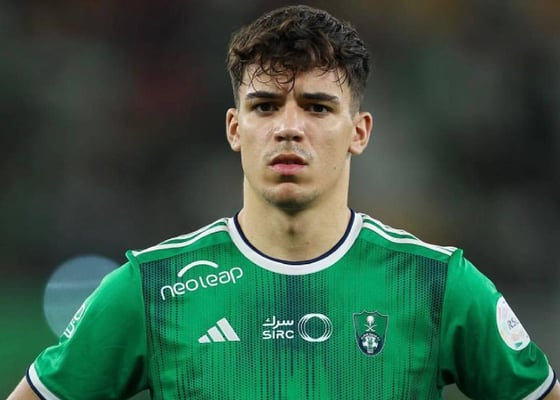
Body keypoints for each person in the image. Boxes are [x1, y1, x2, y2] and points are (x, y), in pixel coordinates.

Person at [8, 4, 560, 400]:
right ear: (234, 127)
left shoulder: (437, 282)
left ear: (359, 131)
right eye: (266, 106)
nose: (289, 128)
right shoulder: (153, 287)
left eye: (317, 107)